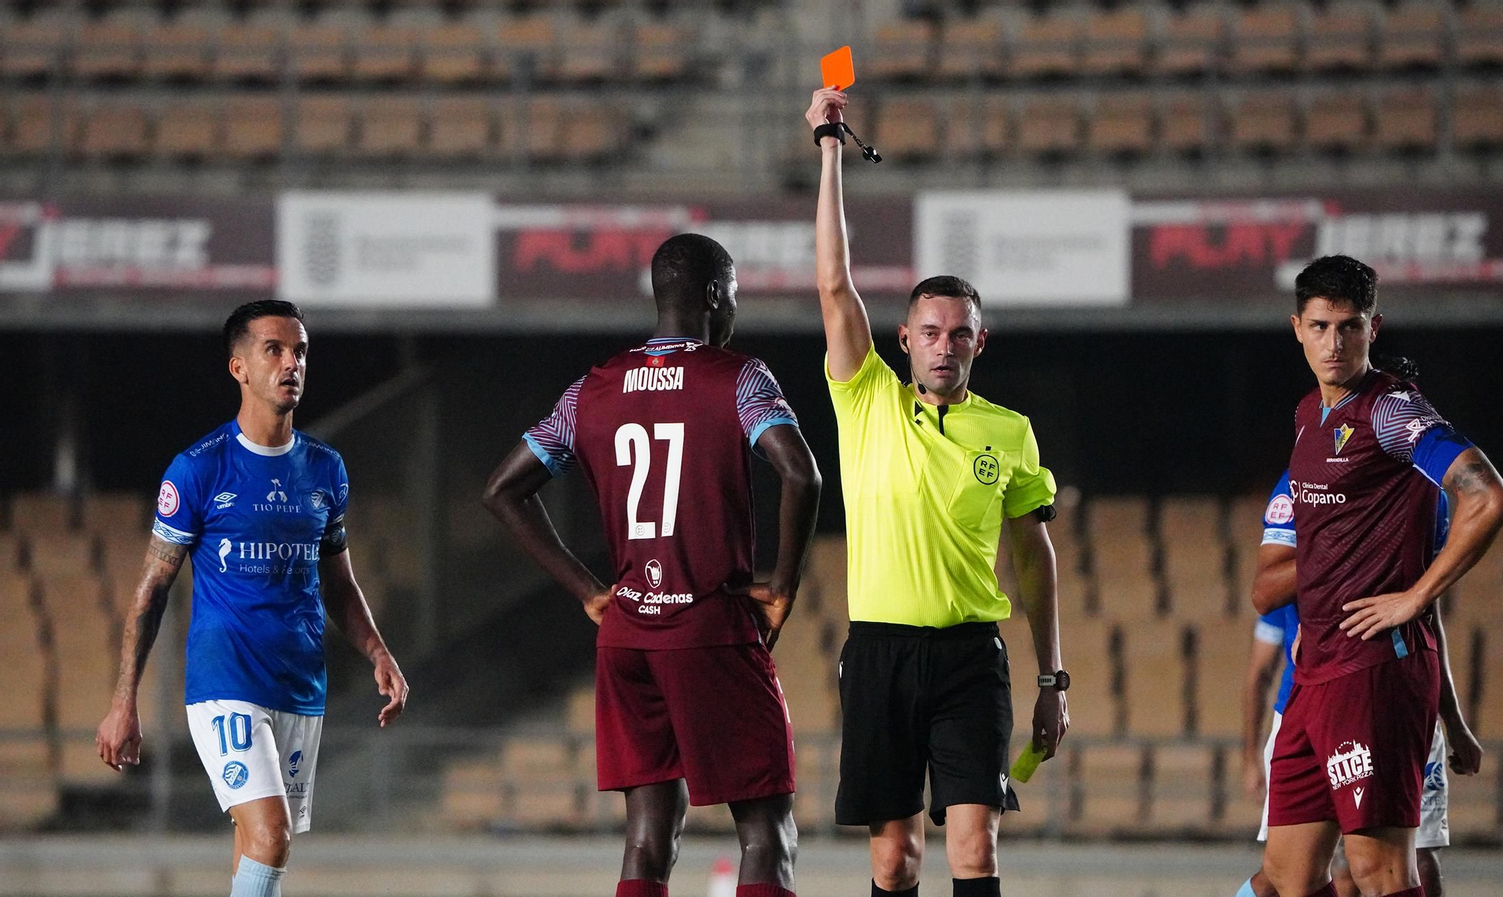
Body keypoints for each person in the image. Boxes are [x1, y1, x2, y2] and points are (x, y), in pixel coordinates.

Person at [482, 233, 821, 897]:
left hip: (628, 635)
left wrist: (587, 589)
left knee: (647, 834)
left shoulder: (593, 389)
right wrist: (781, 585)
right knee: (766, 830)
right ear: (717, 296)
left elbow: (502, 490)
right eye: (735, 300)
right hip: (710, 629)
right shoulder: (738, 377)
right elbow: (801, 474)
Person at [807, 87, 1068, 897]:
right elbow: (833, 282)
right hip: (880, 651)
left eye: (959, 332)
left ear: (979, 340)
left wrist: (1053, 679)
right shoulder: (865, 396)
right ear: (904, 340)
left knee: (975, 848)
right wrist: (828, 152)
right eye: (929, 331)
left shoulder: (1010, 430)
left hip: (968, 660)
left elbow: (1034, 551)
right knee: (894, 860)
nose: (944, 345)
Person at [96, 300, 409, 897]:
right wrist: (122, 701)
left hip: (298, 684)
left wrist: (378, 652)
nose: (292, 363)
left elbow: (338, 582)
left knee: (255, 850)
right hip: (225, 683)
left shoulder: (325, 469)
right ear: (238, 367)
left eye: (300, 351)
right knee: (272, 836)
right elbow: (151, 591)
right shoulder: (198, 469)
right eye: (274, 350)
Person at [1253, 256, 1503, 897]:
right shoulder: (1306, 416)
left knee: (1382, 873)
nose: (1333, 343)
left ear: (1375, 327)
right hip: (1314, 674)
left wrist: (1415, 597)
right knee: (1288, 879)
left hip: (1373, 673)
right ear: (1296, 328)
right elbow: (1283, 579)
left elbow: (1490, 500)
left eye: (1349, 326)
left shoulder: (1391, 411)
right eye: (1319, 327)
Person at [1240, 472, 1484, 897]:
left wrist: (1452, 719)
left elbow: (1426, 609)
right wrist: (1344, 549)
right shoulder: (1300, 482)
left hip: (1394, 694)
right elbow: (1265, 594)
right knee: (1288, 876)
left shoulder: (1424, 486)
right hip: (1308, 700)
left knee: (1406, 863)